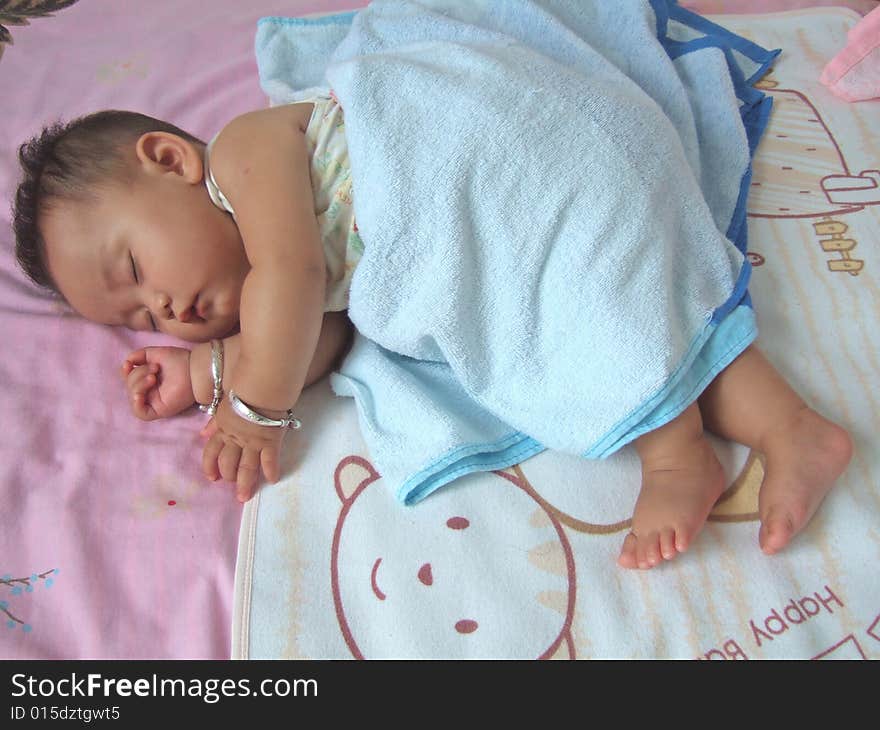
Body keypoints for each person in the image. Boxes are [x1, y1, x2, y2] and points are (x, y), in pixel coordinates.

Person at [12, 102, 853, 571]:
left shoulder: (244, 154)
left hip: (510, 164)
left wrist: (251, 406)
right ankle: (792, 431)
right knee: (606, 317)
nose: (163, 306)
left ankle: (677, 457)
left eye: (135, 270)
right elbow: (322, 340)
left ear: (167, 159)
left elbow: (293, 285)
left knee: (588, 312)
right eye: (139, 319)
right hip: (504, 228)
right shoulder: (282, 278)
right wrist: (201, 372)